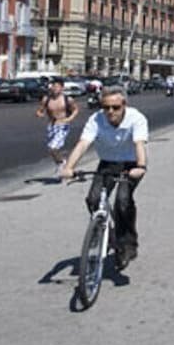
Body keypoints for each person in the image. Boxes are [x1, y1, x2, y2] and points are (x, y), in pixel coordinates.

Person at [60, 86, 148, 270]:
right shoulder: (96, 119)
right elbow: (83, 144)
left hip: (131, 164)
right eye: (106, 107)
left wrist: (140, 166)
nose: (110, 112)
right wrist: (69, 167)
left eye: (115, 107)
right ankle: (108, 235)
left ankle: (127, 245)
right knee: (93, 200)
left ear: (124, 105)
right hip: (107, 163)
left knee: (122, 202)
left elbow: (139, 144)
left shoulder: (136, 118)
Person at [35, 77, 79, 177]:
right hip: (52, 126)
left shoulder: (67, 99)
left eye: (57, 86)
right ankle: (62, 163)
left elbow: (75, 110)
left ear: (62, 88)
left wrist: (70, 118)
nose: (54, 88)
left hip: (63, 125)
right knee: (51, 149)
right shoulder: (46, 99)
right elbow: (40, 110)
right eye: (53, 86)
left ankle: (61, 163)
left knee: (53, 147)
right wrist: (39, 114)